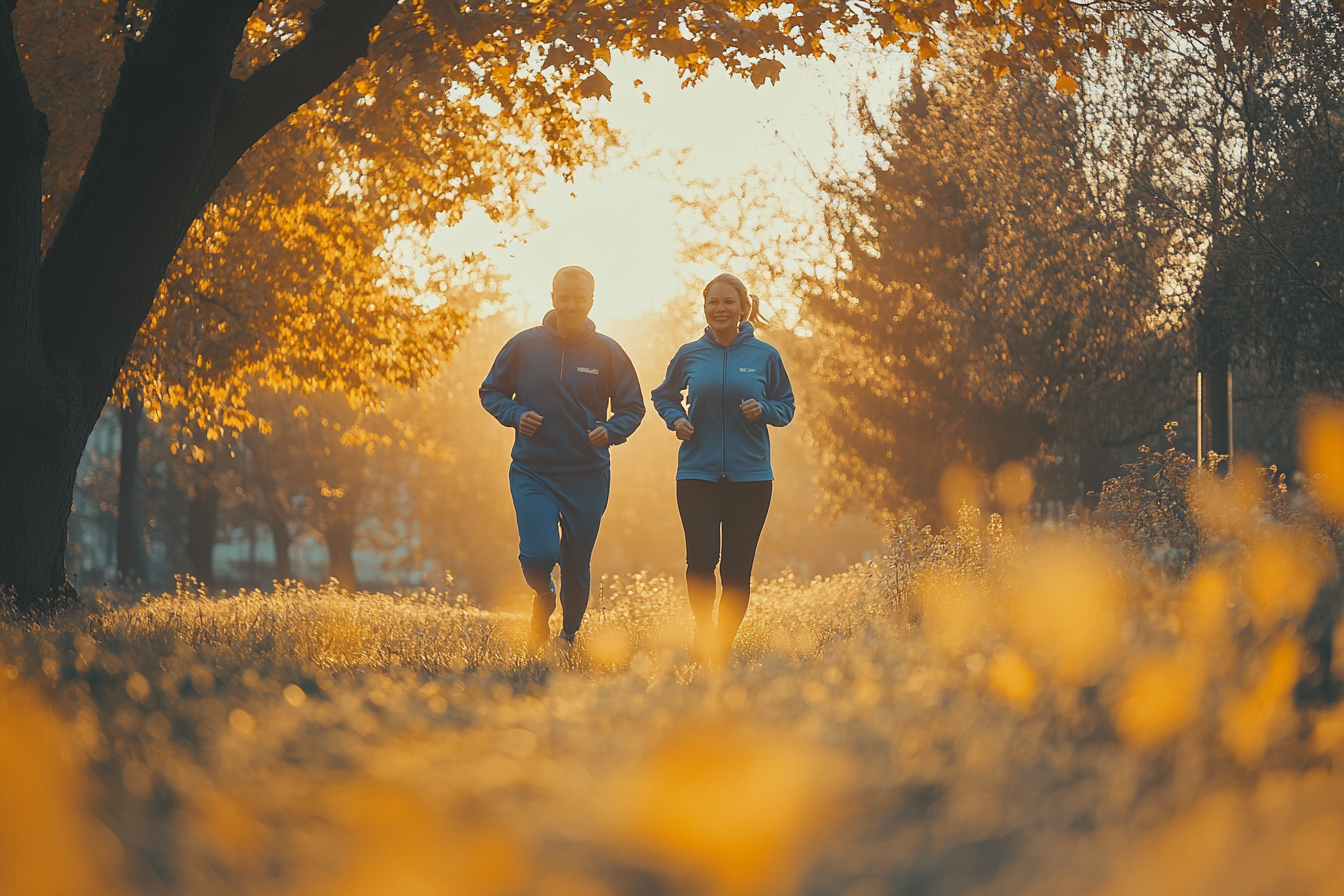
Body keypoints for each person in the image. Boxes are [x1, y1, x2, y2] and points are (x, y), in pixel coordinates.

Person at [480, 266, 646, 649]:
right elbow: (491, 392)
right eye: (564, 297)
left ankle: (568, 634)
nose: (571, 305)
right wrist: (516, 415)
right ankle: (543, 593)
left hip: (587, 475)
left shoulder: (608, 351)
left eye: (579, 298)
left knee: (576, 563)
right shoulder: (524, 345)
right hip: (532, 470)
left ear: (591, 301)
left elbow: (632, 408)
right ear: (552, 297)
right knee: (539, 554)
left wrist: (611, 430)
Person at [650, 272, 795, 662]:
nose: (719, 309)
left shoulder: (766, 356)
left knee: (735, 570)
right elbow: (663, 396)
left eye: (728, 302)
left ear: (743, 309)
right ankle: (703, 627)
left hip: (751, 478)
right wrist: (675, 419)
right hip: (697, 473)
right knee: (700, 559)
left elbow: (786, 407)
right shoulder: (689, 353)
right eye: (713, 302)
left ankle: (721, 646)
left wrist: (764, 409)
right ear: (705, 308)